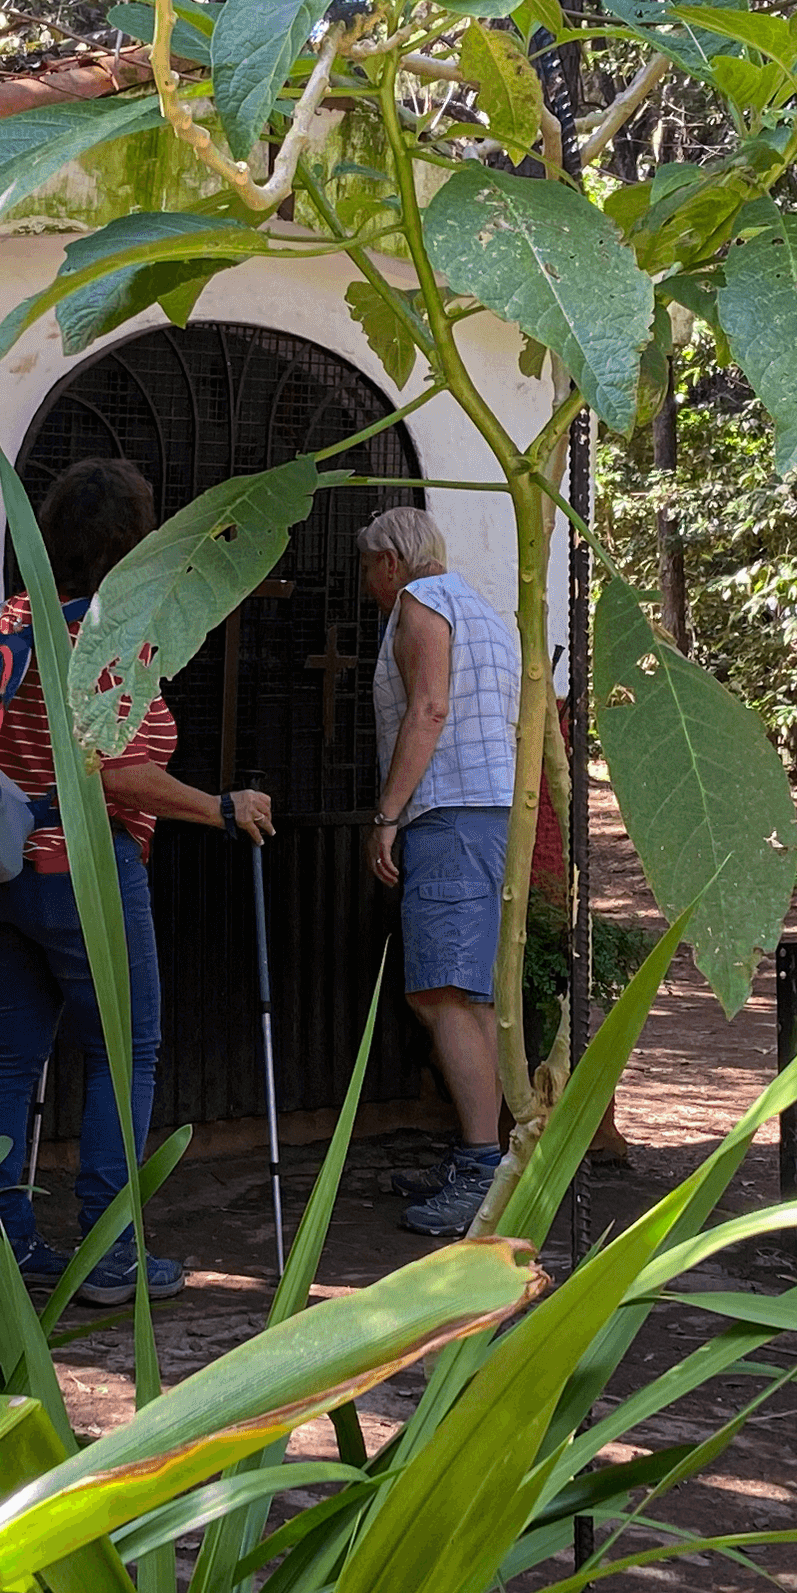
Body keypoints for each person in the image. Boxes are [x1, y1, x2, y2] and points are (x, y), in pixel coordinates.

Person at [0, 456, 275, 1304]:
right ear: (136, 542)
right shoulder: (103, 637)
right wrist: (218, 805)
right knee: (123, 1053)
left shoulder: (6, 624)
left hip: (0, 871)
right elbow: (116, 772)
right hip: (88, 875)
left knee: (9, 1058)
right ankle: (107, 1257)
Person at [356, 506, 523, 1237]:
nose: (366, 581)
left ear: (391, 561)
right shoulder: (482, 607)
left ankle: (483, 1170)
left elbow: (428, 709)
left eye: (368, 565)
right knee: (466, 993)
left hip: (448, 813)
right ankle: (476, 1158)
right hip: (491, 812)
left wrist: (387, 813)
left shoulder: (421, 603)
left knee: (443, 993)